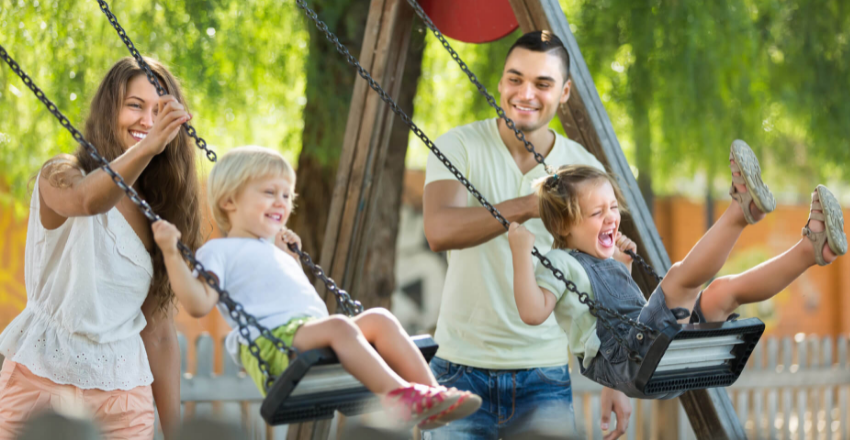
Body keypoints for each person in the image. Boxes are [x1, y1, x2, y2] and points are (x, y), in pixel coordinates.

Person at [151, 146, 482, 430]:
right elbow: (198, 304)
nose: (281, 202)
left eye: (285, 194)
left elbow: (294, 297)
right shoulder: (218, 251)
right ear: (228, 201)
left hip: (307, 333)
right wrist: (170, 252)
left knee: (379, 317)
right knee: (339, 325)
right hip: (275, 345)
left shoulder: (274, 249)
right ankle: (400, 397)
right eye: (269, 192)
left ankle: (432, 396)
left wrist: (289, 258)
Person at [508, 140, 847, 399]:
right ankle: (742, 212)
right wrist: (521, 254)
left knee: (721, 292)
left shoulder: (599, 262)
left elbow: (615, 311)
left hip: (657, 357)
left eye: (613, 206)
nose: (612, 216)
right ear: (564, 226)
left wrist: (622, 268)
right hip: (632, 362)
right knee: (679, 280)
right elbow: (532, 312)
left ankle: (812, 248)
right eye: (598, 213)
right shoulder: (562, 263)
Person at [422, 30, 631, 439]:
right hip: (458, 370)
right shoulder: (460, 145)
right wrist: (531, 205)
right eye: (515, 79)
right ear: (500, 82)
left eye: (543, 83)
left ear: (565, 91)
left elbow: (598, 282)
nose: (525, 93)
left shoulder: (581, 165)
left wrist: (614, 381)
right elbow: (439, 229)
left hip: (544, 376)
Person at [0, 57, 201, 439]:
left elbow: (157, 333)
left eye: (159, 110)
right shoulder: (61, 173)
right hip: (39, 380)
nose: (148, 120)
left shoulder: (161, 212)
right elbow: (89, 201)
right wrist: (148, 147)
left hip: (123, 399)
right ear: (110, 110)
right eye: (135, 105)